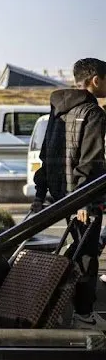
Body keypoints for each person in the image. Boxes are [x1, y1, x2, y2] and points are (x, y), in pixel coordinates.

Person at [32, 57, 106, 330]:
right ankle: (83, 314)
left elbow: (45, 155)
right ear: (96, 80)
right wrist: (85, 200)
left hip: (62, 194)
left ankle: (79, 309)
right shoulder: (93, 112)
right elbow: (91, 161)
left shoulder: (57, 109)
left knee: (81, 248)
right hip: (85, 197)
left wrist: (40, 194)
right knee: (86, 255)